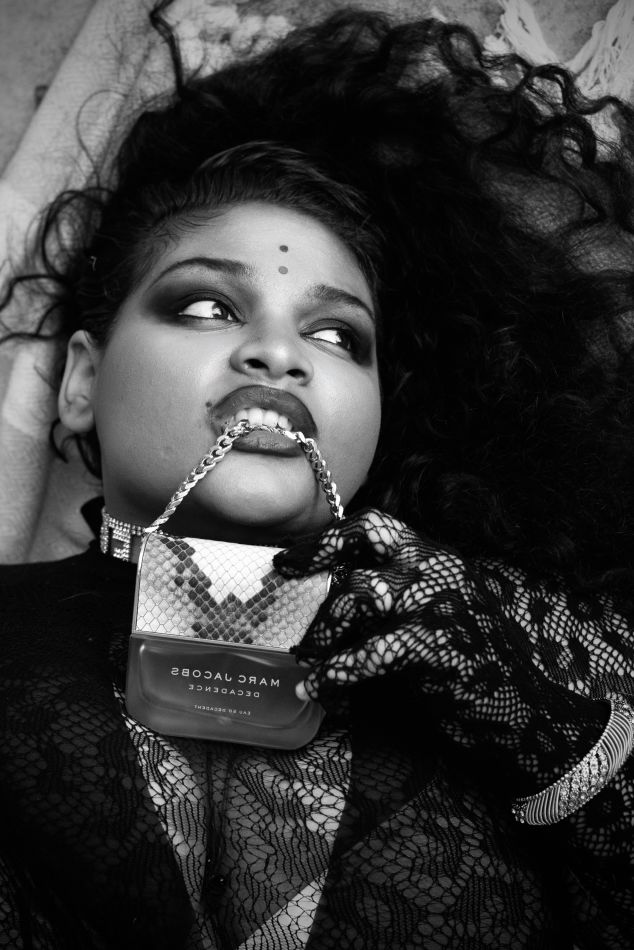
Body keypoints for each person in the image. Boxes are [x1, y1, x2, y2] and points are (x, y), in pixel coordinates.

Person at [2, 5, 634, 948]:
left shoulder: (528, 657)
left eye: (337, 334)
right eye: (208, 306)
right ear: (82, 381)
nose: (278, 352)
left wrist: (538, 724)